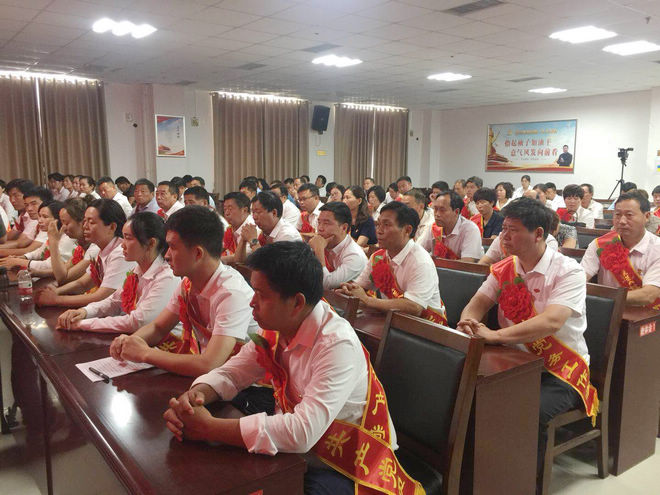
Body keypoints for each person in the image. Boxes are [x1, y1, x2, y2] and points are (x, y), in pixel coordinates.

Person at [163, 241, 420, 494]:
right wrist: (195, 397)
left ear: (297, 303)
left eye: (262, 295)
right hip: (301, 450)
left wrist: (209, 427)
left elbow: (302, 432)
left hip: (347, 466)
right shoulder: (280, 326)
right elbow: (234, 371)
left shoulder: (336, 345)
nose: (252, 302)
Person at [457, 197, 595, 484]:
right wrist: (468, 321)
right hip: (513, 362)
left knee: (526, 412)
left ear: (538, 233)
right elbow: (478, 303)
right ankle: (479, 475)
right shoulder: (505, 267)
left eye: (513, 230)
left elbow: (551, 322)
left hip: (559, 370)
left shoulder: (568, 271)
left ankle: (523, 483)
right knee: (463, 394)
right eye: (503, 229)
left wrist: (495, 335)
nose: (504, 237)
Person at [109, 206, 258, 377]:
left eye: (173, 247)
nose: (166, 255)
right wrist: (131, 341)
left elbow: (209, 364)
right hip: (214, 376)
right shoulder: (187, 283)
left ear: (198, 253)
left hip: (247, 383)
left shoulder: (231, 293)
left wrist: (144, 353)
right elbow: (159, 327)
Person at [56, 212, 179, 334]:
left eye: (128, 238)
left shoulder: (166, 278)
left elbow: (137, 322)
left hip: (167, 343)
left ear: (151, 243)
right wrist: (84, 312)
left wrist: (82, 324)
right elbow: (114, 301)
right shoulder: (137, 270)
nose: (122, 245)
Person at [339, 202, 447, 324]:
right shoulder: (377, 257)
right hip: (391, 321)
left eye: (386, 225)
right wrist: (349, 290)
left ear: (407, 230)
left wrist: (367, 300)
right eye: (378, 224)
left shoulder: (421, 262)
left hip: (425, 327)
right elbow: (360, 287)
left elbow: (414, 307)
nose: (379, 231)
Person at [34, 199, 135, 308]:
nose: (85, 226)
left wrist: (56, 299)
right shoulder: (102, 249)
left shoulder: (120, 253)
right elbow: (82, 283)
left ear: (112, 227)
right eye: (85, 221)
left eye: (91, 222)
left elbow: (101, 297)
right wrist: (56, 291)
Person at [581, 192, 660, 308]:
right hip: (606, 311)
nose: (622, 221)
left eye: (629, 215)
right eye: (617, 215)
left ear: (647, 216)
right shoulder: (600, 244)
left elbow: (648, 295)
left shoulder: (657, 248)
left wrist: (603, 298)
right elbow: (580, 279)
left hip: (647, 314)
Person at [0, 201, 74, 278]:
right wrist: (22, 257)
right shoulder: (53, 233)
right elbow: (40, 252)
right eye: (39, 216)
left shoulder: (67, 239)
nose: (40, 220)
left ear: (58, 219)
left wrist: (20, 261)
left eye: (45, 217)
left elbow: (50, 265)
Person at [308, 201, 367, 289]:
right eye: (319, 222)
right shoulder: (323, 243)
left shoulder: (355, 256)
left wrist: (318, 251)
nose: (320, 228)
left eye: (326, 223)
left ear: (344, 227)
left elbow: (325, 284)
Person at [418, 190, 484, 262]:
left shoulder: (470, 229)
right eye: (435, 209)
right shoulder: (434, 227)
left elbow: (467, 262)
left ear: (456, 212)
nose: (437, 214)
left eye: (442, 210)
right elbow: (417, 251)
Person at [236, 191, 301, 263]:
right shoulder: (261, 231)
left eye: (258, 212)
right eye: (253, 212)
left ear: (274, 213)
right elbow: (239, 261)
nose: (254, 217)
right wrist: (243, 239)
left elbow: (271, 265)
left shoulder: (288, 235)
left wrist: (253, 241)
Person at [48, 196, 100, 286]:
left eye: (66, 223)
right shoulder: (81, 246)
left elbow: (62, 278)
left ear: (82, 222)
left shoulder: (95, 247)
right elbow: (64, 270)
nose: (63, 228)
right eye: (62, 223)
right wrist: (37, 272)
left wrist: (53, 242)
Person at [0, 186, 52, 257]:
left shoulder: (49, 222)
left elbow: (28, 250)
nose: (29, 209)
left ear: (45, 203)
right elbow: (21, 244)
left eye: (34, 204)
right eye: (26, 205)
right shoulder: (36, 219)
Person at [221, 192, 258, 263]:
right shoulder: (230, 228)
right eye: (225, 209)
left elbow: (243, 257)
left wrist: (216, 261)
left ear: (244, 210)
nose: (226, 213)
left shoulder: (253, 228)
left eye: (230, 209)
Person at [3, 179, 37, 245]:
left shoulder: (34, 214)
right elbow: (9, 236)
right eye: (10, 196)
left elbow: (20, 243)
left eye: (16, 196)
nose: (12, 200)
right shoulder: (22, 214)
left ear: (28, 195)